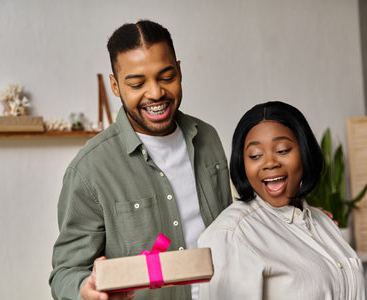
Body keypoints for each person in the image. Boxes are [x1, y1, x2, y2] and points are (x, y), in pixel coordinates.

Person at [49, 20, 232, 300]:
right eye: (137, 83)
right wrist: (83, 289)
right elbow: (66, 271)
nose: (156, 93)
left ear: (180, 71)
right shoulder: (89, 169)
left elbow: (233, 224)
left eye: (166, 77)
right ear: (115, 85)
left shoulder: (207, 138)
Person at [198, 101, 365, 300]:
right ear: (242, 164)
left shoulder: (323, 221)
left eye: (283, 150)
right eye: (255, 155)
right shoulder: (232, 235)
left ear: (305, 152)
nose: (270, 163)